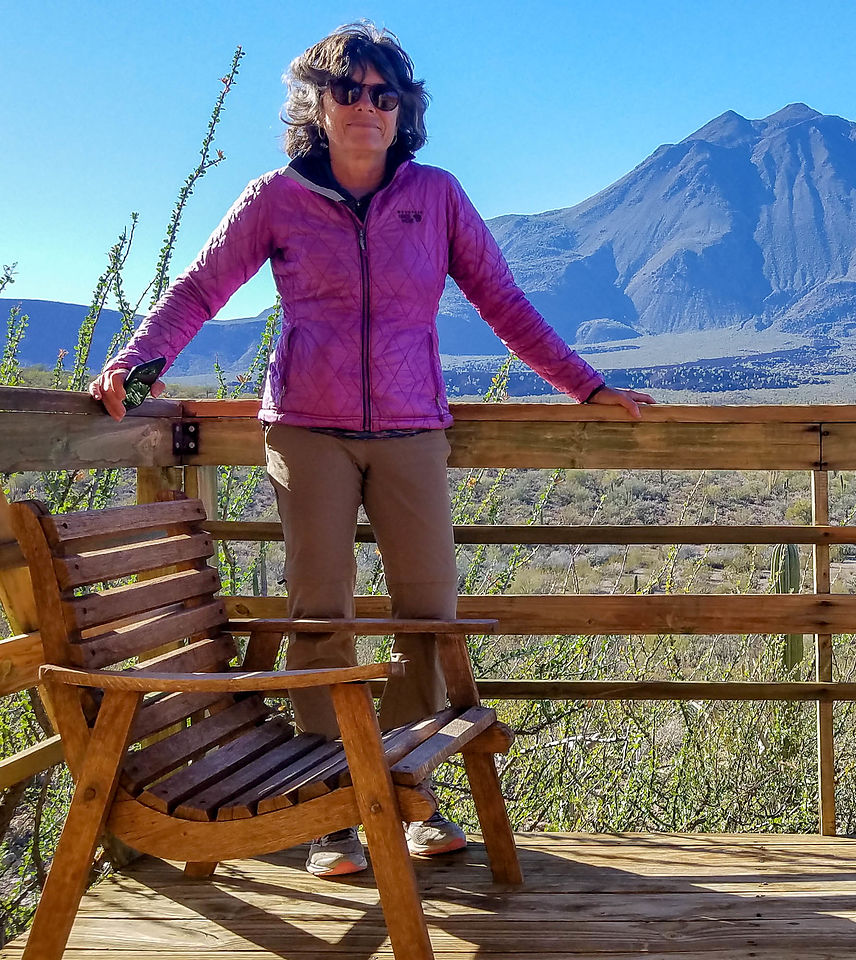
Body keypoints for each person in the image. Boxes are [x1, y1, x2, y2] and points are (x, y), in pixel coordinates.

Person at [90, 22, 654, 878]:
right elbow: (202, 286)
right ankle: (332, 812)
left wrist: (585, 386)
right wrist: (137, 361)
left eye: (382, 94)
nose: (365, 106)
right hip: (307, 430)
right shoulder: (276, 196)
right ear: (316, 104)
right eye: (347, 90)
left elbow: (503, 301)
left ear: (403, 111)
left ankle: (411, 793)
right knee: (322, 617)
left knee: (429, 615)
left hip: (412, 429)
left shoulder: (436, 196)